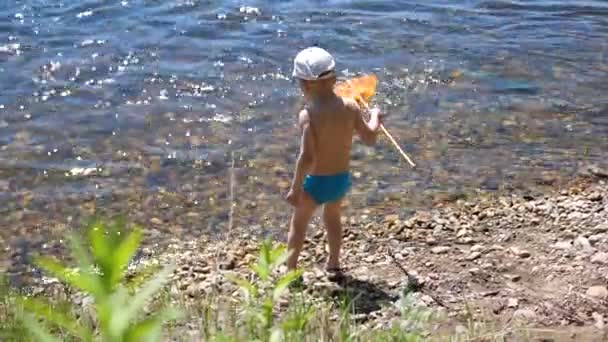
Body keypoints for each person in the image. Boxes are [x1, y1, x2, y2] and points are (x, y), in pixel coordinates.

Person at [285, 46, 384, 277]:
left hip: (315, 183)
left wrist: (295, 188)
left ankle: (290, 270)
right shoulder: (350, 107)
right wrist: (375, 118)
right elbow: (369, 139)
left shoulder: (308, 115)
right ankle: (334, 263)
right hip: (340, 180)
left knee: (298, 225)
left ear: (304, 84)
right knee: (333, 218)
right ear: (335, 78)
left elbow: (307, 156)